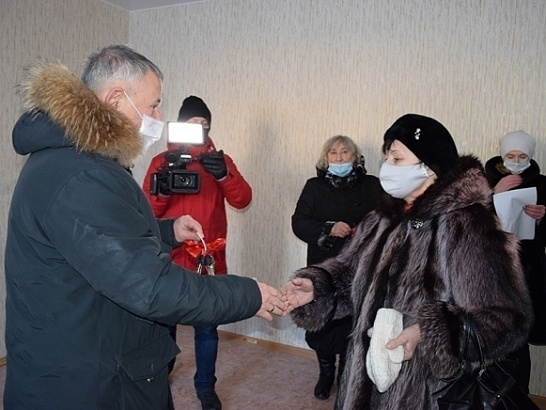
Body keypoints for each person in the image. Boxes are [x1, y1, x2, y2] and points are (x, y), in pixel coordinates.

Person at [4, 45, 286, 410]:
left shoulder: (73, 158)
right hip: (88, 378)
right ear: (116, 99)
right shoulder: (84, 174)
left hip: (88, 350)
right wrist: (249, 294)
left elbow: (108, 235)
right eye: (153, 105)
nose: (158, 115)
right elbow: (150, 287)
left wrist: (167, 231)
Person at [282, 114, 533, 409]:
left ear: (428, 168)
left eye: (397, 159)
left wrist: (428, 333)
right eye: (387, 157)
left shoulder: (470, 225)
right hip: (365, 378)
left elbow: (504, 316)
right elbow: (351, 273)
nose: (387, 167)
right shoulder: (381, 218)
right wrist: (317, 287)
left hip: (428, 390)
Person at [142, 95, 252, 410]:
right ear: (179, 126)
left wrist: (223, 175)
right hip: (169, 257)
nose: (199, 130)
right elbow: (145, 210)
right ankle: (160, 376)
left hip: (208, 256)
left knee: (207, 327)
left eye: (204, 125)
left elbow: (243, 199)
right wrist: (162, 189)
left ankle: (206, 387)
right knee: (165, 326)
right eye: (192, 124)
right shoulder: (161, 161)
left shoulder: (220, 160)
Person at [291, 135, 380, 400]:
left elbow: (388, 219)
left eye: (345, 153)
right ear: (325, 157)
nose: (339, 157)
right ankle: (326, 372)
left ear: (355, 157)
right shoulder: (314, 186)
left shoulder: (373, 185)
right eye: (333, 153)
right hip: (324, 266)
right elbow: (299, 222)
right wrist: (328, 228)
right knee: (322, 322)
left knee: (352, 324)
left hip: (359, 266)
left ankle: (345, 373)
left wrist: (363, 230)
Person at [485, 130, 546, 394]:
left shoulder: (542, 184)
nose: (517, 160)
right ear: (502, 154)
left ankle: (517, 396)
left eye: (523, 156)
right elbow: (465, 221)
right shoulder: (484, 180)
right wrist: (493, 195)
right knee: (491, 333)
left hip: (527, 270)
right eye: (511, 155)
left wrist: (543, 218)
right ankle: (488, 395)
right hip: (491, 268)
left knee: (520, 340)